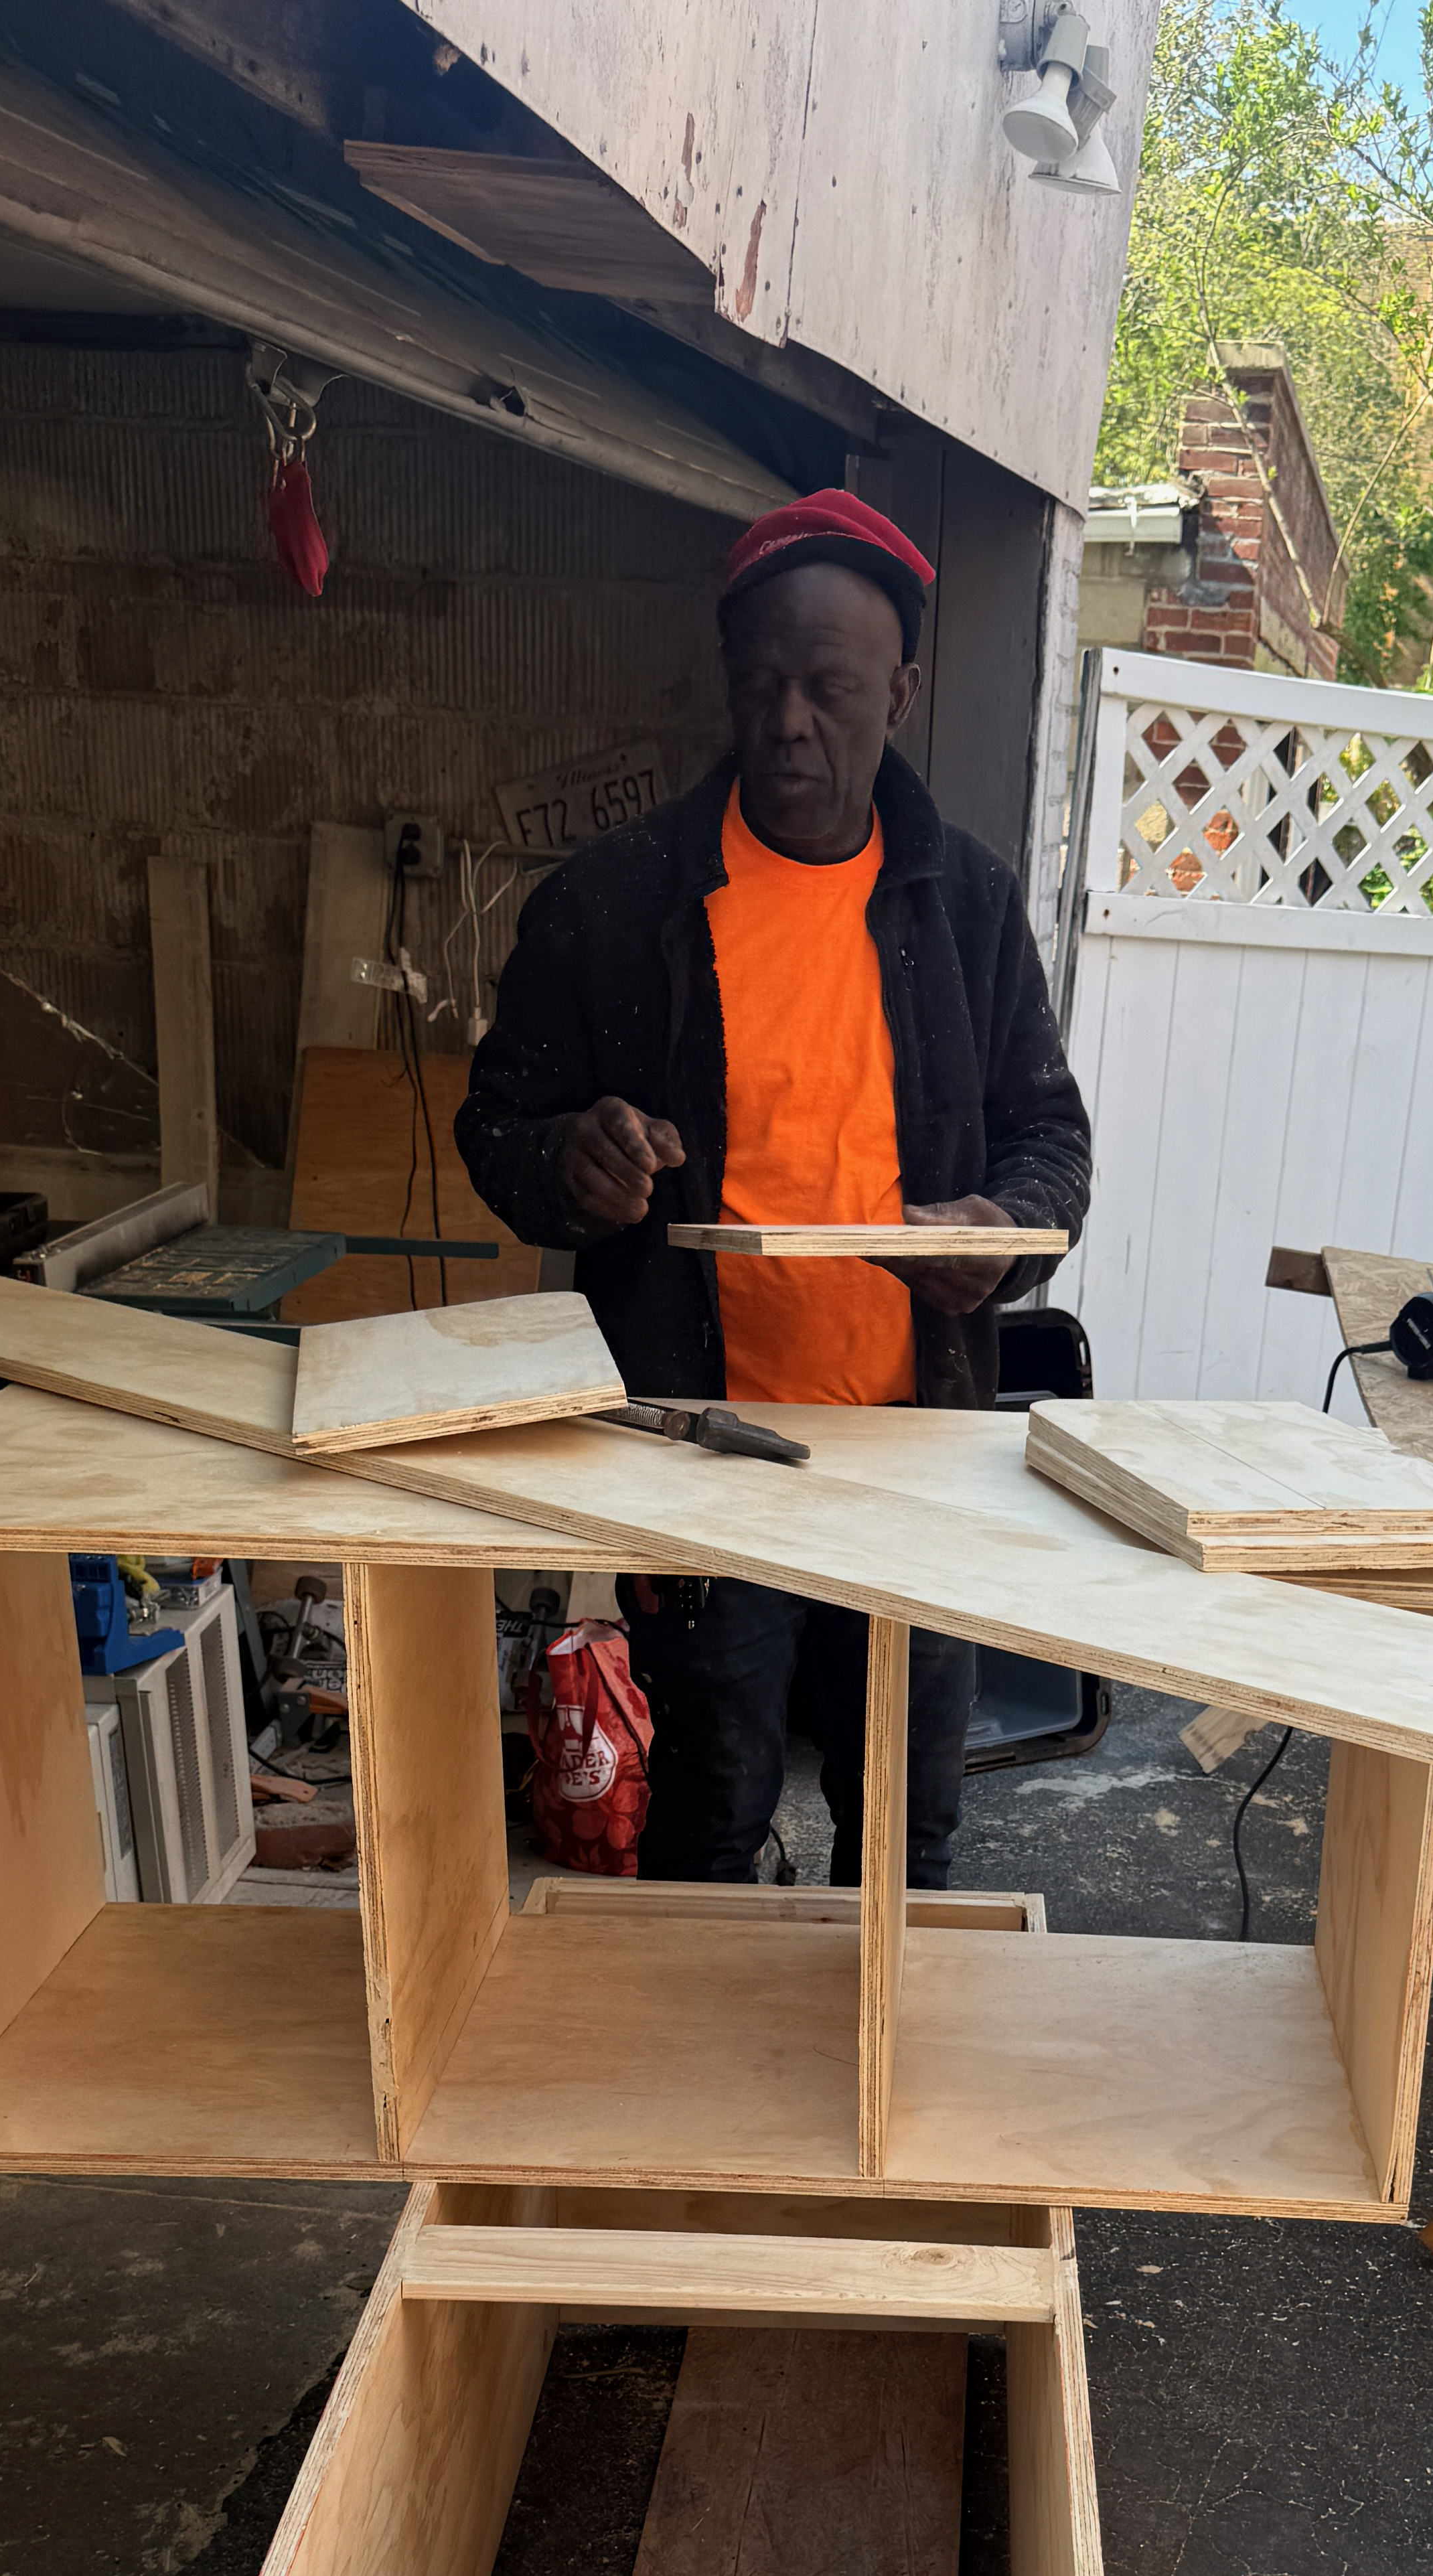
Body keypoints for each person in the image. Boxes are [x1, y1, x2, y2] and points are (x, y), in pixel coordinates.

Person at [455, 486, 1093, 1888]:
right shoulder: (615, 906)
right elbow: (495, 1127)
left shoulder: (972, 913)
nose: (790, 722)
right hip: (699, 1451)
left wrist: (997, 1231)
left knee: (903, 1838)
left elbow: (1053, 1148)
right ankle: (712, 2094)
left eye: (830, 689)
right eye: (760, 686)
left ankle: (878, 2092)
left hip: (916, 1460)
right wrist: (571, 1164)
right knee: (706, 1817)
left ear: (902, 693)